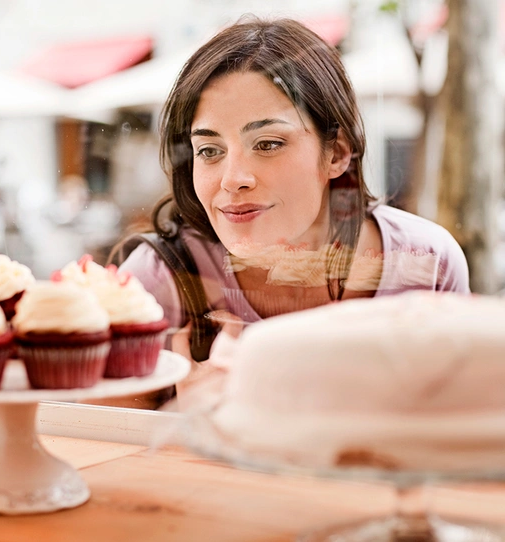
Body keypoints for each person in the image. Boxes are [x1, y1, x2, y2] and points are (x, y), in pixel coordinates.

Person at [115, 16, 470, 378]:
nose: (233, 180)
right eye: (209, 150)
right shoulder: (159, 281)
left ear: (336, 154)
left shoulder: (426, 265)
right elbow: (87, 431)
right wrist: (185, 424)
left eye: (268, 144)